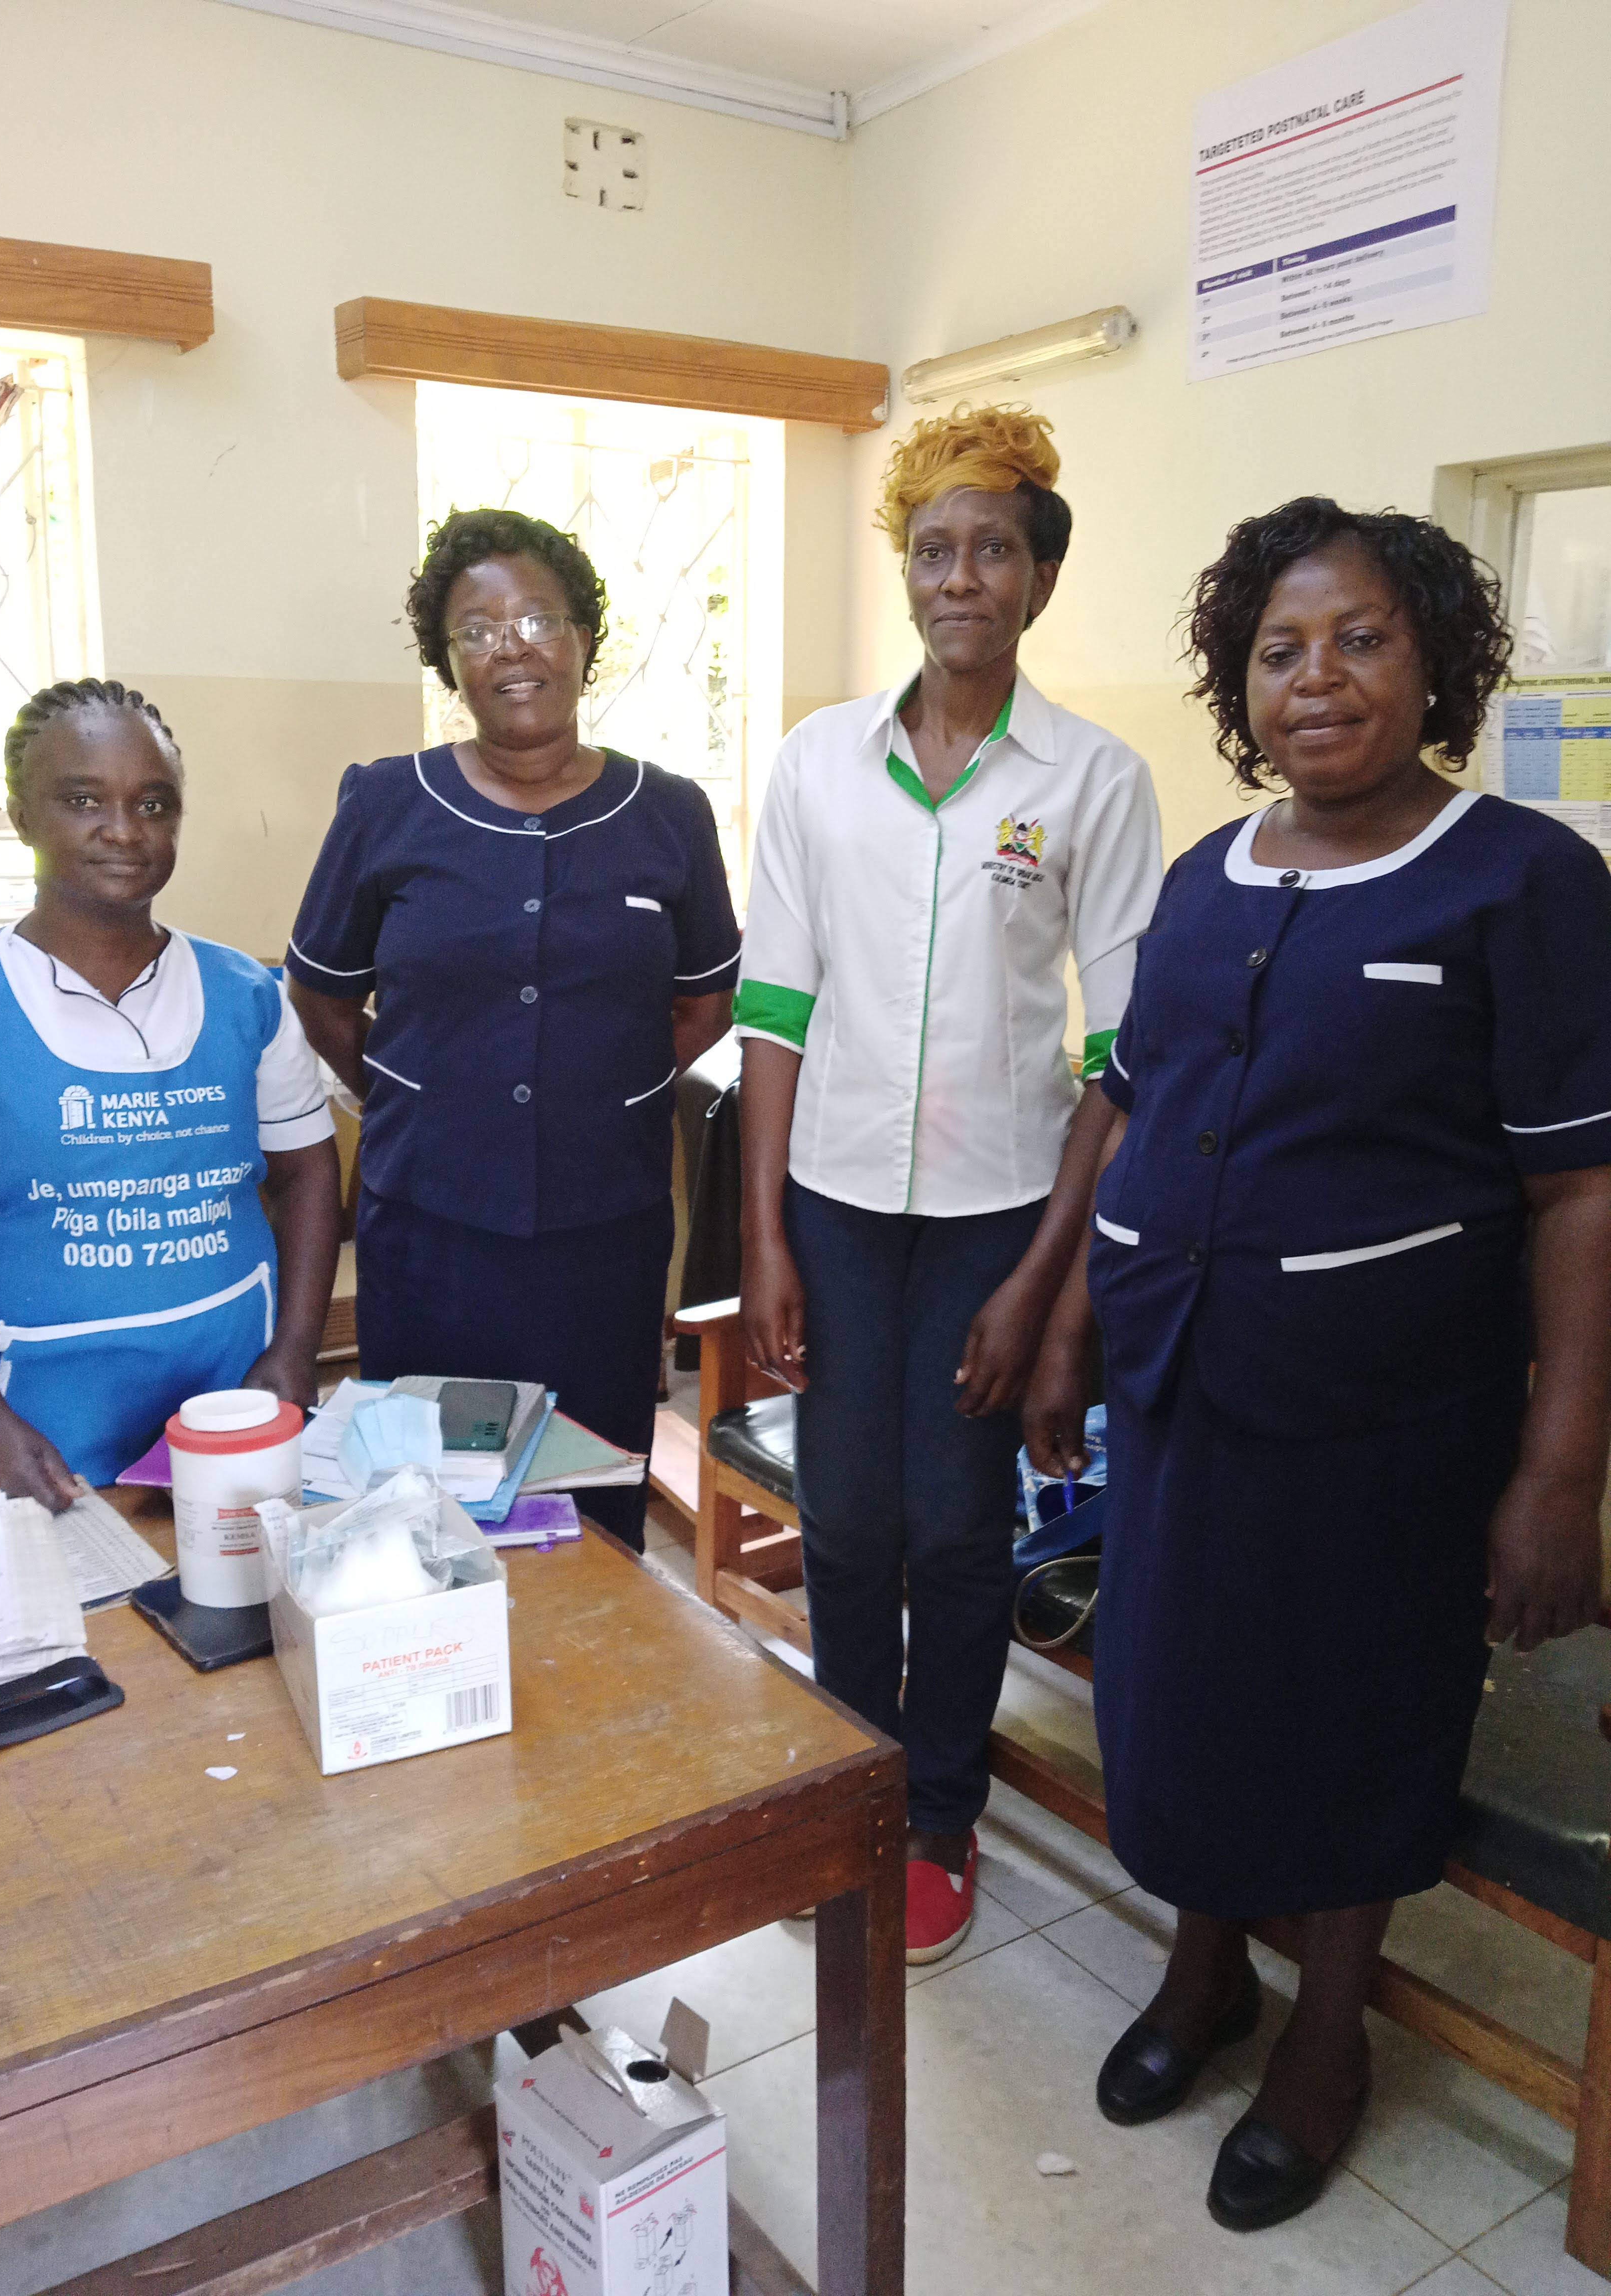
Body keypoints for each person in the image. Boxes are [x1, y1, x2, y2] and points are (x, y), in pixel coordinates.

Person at [1026, 497, 1611, 2230]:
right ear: (1238, 681)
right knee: (1184, 1695)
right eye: (1279, 649)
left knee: (1353, 1720)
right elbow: (1135, 1101)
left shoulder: (1525, 881)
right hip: (1184, 1387)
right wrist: (1065, 1321)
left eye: (1360, 638)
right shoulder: (1207, 877)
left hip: (1390, 1415)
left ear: (1433, 664)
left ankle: (1327, 2035)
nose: (1318, 677)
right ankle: (1205, 1969)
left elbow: (1582, 1190)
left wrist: (1559, 1467)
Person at [736, 405, 1163, 1964]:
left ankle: (937, 1809)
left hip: (1002, 1214)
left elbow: (1122, 1050)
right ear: (905, 571)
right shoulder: (819, 763)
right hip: (839, 1206)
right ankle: (851, 1784)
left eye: (992, 549)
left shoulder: (1095, 780)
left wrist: (1049, 1284)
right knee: (850, 1521)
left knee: (963, 1527)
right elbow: (774, 1008)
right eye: (933, 550)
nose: (960, 578)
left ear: (1040, 577)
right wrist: (763, 1235)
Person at [285, 510, 738, 1551]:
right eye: (477, 630)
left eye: (538, 619)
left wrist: (602, 1095)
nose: (512, 648)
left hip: (605, 1234)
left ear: (585, 638)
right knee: (426, 1509)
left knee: (592, 1504)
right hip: (429, 1229)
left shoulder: (668, 813)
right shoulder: (386, 804)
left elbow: (701, 1006)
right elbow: (322, 996)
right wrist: (414, 1095)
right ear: (447, 660)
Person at [0, 680, 340, 1505]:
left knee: (246, 1575)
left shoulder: (248, 997)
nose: (125, 830)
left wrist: (296, 1348)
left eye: (154, 804)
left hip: (236, 1394)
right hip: (42, 1420)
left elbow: (307, 1173)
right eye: (83, 800)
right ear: (22, 818)